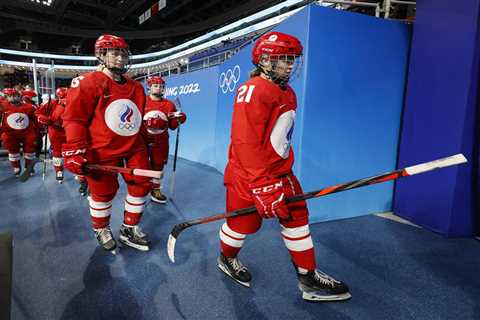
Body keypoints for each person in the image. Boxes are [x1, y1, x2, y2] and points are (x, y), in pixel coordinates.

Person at [216, 32, 351, 302]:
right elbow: (245, 141)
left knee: (298, 216)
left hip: (280, 172)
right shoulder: (253, 89)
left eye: (292, 59)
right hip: (249, 176)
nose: (290, 65)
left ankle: (308, 276)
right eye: (284, 59)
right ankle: (226, 258)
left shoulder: (286, 91)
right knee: (242, 224)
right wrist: (261, 183)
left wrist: (275, 176)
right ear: (264, 60)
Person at [62, 34, 151, 252]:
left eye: (123, 54)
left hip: (133, 146)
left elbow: (137, 118)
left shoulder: (137, 87)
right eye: (115, 53)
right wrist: (74, 149)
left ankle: (129, 229)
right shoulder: (88, 82)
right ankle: (101, 228)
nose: (121, 58)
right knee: (103, 192)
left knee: (142, 185)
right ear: (101, 55)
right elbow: (74, 118)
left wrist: (148, 139)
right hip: (101, 148)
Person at [142, 76, 186, 203]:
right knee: (141, 165)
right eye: (156, 85)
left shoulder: (169, 104)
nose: (159, 88)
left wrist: (179, 120)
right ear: (149, 87)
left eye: (161, 86)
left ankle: (155, 189)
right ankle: (141, 188)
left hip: (161, 142)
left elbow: (172, 126)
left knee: (158, 165)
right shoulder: (142, 101)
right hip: (143, 141)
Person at [0, 87, 38, 177]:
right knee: (13, 151)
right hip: (10, 133)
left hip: (27, 133)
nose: (14, 98)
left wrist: (39, 129)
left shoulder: (29, 107)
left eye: (16, 95)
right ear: (6, 96)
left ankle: (28, 167)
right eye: (11, 96)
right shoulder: (2, 106)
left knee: (30, 150)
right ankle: (16, 167)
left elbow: (35, 120)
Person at [35, 87, 67, 183]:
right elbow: (38, 113)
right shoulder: (51, 104)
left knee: (75, 152)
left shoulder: (77, 103)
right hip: (56, 133)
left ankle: (80, 174)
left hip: (71, 132)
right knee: (57, 152)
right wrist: (44, 119)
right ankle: (59, 171)